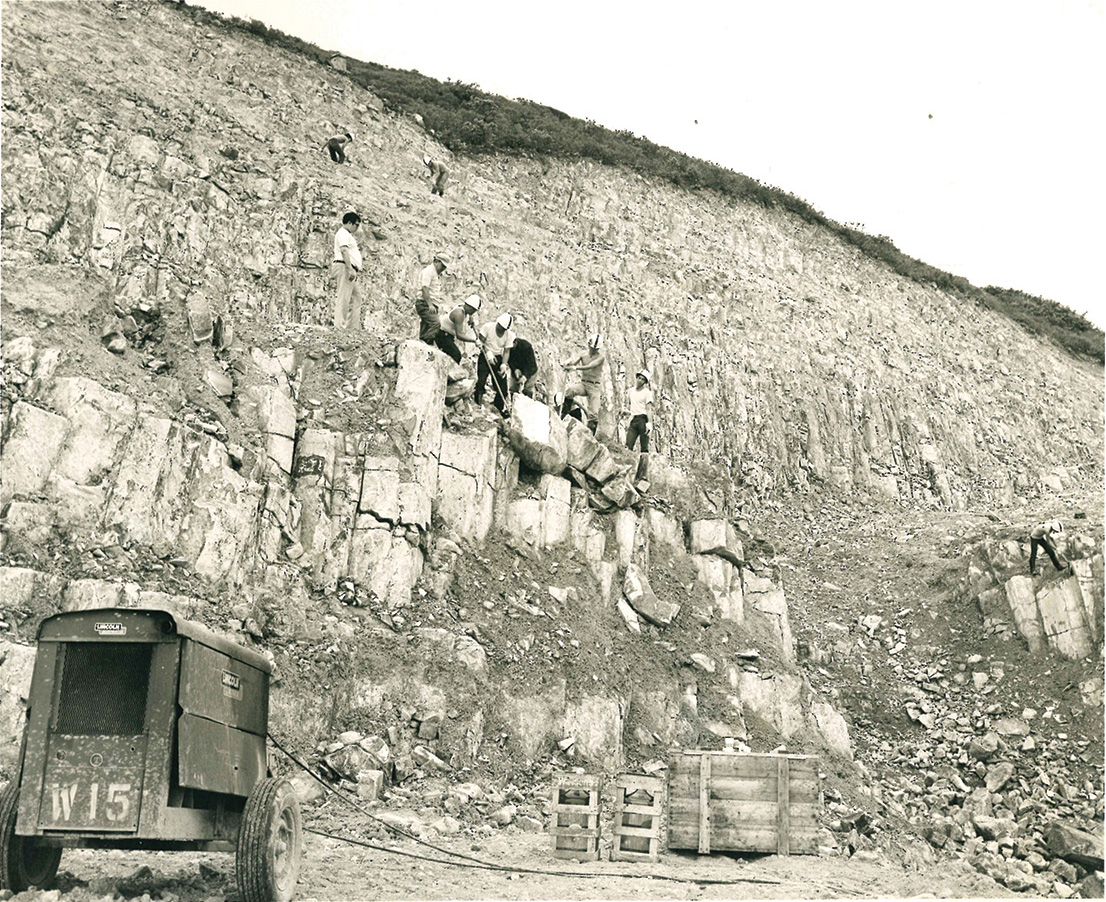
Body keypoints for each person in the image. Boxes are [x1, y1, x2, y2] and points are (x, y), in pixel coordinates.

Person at [562, 333, 606, 434]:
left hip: (594, 386)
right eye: (591, 347)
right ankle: (563, 416)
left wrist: (575, 368)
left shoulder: (601, 357)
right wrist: (568, 364)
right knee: (570, 391)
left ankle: (590, 437)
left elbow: (591, 366)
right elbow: (573, 364)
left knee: (593, 413)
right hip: (583, 384)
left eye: (595, 349)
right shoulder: (583, 354)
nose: (593, 350)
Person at [475, 313, 515, 415]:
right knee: (481, 380)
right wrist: (488, 352)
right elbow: (480, 342)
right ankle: (477, 404)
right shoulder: (488, 327)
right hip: (485, 355)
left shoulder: (509, 335)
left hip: (497, 358)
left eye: (503, 329)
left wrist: (503, 365)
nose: (500, 330)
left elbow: (506, 351)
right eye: (500, 327)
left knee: (503, 388)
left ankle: (498, 409)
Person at [331, 212, 363, 329]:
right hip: (345, 266)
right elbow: (344, 250)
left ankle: (351, 327)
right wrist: (349, 268)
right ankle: (339, 326)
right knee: (344, 297)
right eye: (356, 225)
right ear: (349, 223)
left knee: (356, 297)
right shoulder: (343, 233)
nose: (357, 228)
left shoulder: (346, 234)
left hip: (348, 267)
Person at [415, 251, 451, 345]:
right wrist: (430, 304)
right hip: (424, 303)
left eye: (444, 267)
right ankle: (427, 344)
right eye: (442, 266)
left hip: (429, 303)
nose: (443, 269)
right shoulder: (428, 271)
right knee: (435, 323)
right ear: (436, 261)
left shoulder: (434, 273)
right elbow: (425, 288)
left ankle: (422, 343)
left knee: (426, 324)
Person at [625, 369, 654, 483]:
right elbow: (630, 406)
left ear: (645, 382)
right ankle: (628, 473)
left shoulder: (647, 392)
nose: (640, 380)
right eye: (639, 377)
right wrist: (625, 412)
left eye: (643, 379)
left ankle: (643, 476)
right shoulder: (631, 391)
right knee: (628, 445)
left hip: (643, 419)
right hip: (634, 419)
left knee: (644, 448)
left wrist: (649, 423)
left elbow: (649, 408)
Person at [435, 294, 481, 363]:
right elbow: (459, 335)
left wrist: (471, 318)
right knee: (456, 355)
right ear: (471, 308)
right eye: (474, 310)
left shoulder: (463, 306)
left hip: (445, 334)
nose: (474, 312)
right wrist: (474, 341)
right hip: (441, 335)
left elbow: (469, 312)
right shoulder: (459, 314)